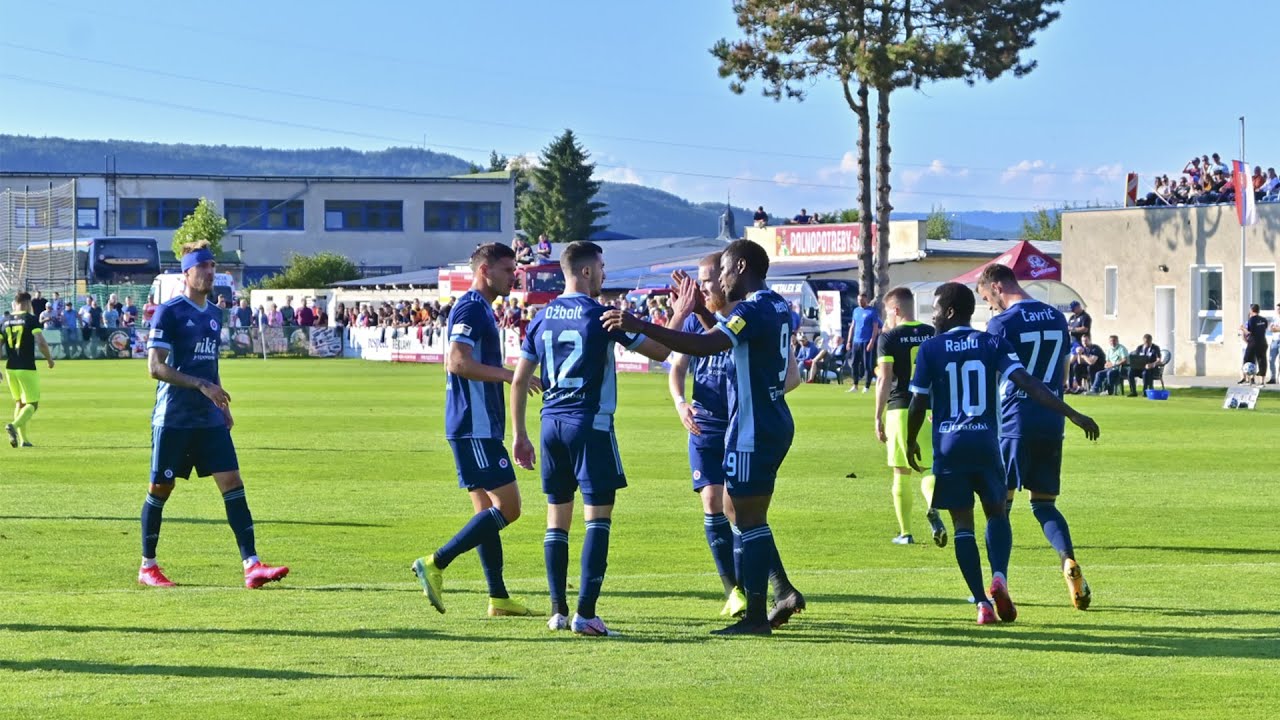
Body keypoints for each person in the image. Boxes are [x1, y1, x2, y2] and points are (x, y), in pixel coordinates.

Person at [602, 238, 804, 635]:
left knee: (748, 518)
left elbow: (710, 345)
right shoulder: (776, 304)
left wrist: (641, 324)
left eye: (725, 271)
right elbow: (728, 344)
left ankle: (756, 616)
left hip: (751, 423)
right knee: (734, 508)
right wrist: (697, 310)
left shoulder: (753, 307)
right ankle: (777, 595)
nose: (722, 280)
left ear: (742, 267)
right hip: (770, 418)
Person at [906, 282, 1099, 625]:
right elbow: (1029, 382)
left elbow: (918, 402)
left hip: (951, 447)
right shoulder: (992, 342)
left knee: (963, 525)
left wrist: (910, 441)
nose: (932, 315)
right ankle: (1000, 576)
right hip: (987, 445)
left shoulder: (931, 349)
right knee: (998, 514)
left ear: (949, 312)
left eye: (935, 309)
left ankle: (982, 604)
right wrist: (1072, 413)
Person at [510, 241, 670, 636]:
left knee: (556, 518)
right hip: (590, 424)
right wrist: (679, 315)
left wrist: (519, 435)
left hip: (549, 425)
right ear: (584, 272)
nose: (604, 273)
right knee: (597, 518)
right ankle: (586, 613)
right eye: (600, 267)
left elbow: (518, 380)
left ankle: (558, 611)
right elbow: (661, 351)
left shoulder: (542, 316)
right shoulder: (602, 316)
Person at [137, 240, 289, 589]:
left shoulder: (214, 314)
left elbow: (211, 365)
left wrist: (222, 405)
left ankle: (252, 564)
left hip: (208, 418)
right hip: (173, 417)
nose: (210, 272)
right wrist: (201, 385)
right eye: (203, 266)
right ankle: (148, 566)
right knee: (161, 488)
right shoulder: (169, 312)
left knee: (232, 482)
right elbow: (155, 368)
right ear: (186, 272)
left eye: (213, 267)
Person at [413, 244, 544, 618]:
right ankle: (435, 562)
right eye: (507, 270)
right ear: (485, 270)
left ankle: (498, 598)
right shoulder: (471, 306)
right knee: (510, 508)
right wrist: (511, 375)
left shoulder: (482, 307)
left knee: (485, 511)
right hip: (475, 425)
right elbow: (457, 362)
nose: (513, 276)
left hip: (473, 424)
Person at [977, 264, 1093, 611]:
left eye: (988, 298)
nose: (990, 307)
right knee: (1044, 504)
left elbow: (991, 372)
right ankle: (1068, 561)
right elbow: (1063, 368)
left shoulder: (1002, 324)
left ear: (997, 287)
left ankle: (1000, 578)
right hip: (1051, 420)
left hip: (1014, 420)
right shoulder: (1056, 318)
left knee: (1001, 508)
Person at [667, 255, 747, 617]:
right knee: (711, 501)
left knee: (737, 508)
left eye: (708, 280)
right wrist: (680, 402)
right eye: (698, 282)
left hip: (738, 427)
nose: (702, 287)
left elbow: (788, 376)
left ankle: (751, 584)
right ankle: (732, 591)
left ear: (726, 279)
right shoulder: (699, 328)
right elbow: (676, 367)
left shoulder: (743, 320)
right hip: (703, 424)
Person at [873, 286, 945, 547]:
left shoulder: (889, 337)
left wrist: (877, 416)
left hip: (900, 407)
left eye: (887, 312)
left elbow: (885, 378)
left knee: (901, 471)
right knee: (927, 466)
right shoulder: (932, 334)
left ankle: (905, 533)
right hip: (929, 409)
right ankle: (933, 507)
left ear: (895, 309)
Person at [3, 292, 55, 448]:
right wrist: (49, 359)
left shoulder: (4, 320)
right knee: (32, 404)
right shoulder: (30, 319)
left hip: (10, 367)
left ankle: (23, 440)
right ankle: (13, 425)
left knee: (19, 403)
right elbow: (41, 342)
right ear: (27, 303)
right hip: (26, 367)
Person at [845, 293, 881, 393]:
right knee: (854, 364)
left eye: (862, 300)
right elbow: (852, 326)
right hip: (856, 341)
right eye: (859, 300)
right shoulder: (856, 311)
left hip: (866, 341)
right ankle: (855, 386)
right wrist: (849, 341)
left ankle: (867, 386)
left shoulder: (872, 312)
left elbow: (875, 328)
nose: (860, 302)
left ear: (866, 300)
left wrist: (872, 341)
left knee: (867, 365)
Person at [1240, 304, 1269, 385]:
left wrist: (1242, 328)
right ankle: (1262, 381)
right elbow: (1264, 329)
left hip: (1253, 342)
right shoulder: (1263, 319)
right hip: (1263, 342)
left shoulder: (1251, 320)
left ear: (1251, 310)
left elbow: (1249, 332)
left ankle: (1249, 379)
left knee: (1247, 359)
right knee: (1262, 361)